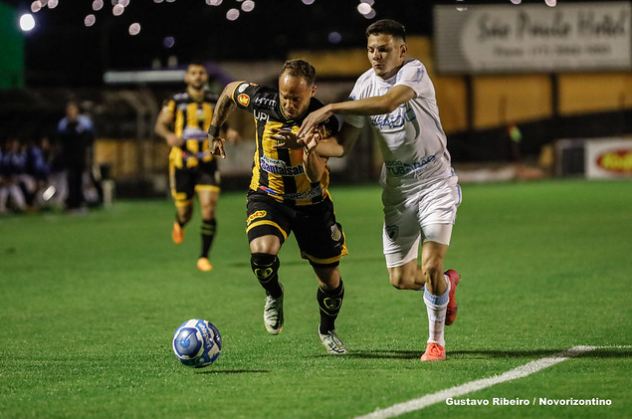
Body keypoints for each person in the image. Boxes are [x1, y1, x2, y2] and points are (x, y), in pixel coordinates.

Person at [295, 20, 462, 362]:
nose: (376, 56)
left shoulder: (414, 72)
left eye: (384, 49)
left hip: (435, 183)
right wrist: (308, 144)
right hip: (398, 191)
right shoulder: (363, 85)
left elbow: (388, 104)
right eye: (371, 49)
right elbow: (342, 146)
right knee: (401, 279)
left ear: (402, 50)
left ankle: (436, 343)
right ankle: (445, 285)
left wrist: (331, 107)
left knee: (430, 263)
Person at [207, 59, 349, 354]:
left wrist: (304, 146)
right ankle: (274, 294)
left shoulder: (321, 121)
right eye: (285, 95)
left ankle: (327, 329)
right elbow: (229, 92)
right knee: (261, 253)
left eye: (296, 98)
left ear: (312, 92)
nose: (289, 103)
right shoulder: (262, 99)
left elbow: (315, 174)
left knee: (331, 283)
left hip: (312, 205)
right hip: (268, 196)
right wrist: (214, 130)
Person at [155, 62, 234, 272]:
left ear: (206, 78)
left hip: (207, 163)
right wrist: (169, 135)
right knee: (185, 212)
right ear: (187, 78)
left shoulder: (215, 101)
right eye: (193, 73)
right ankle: (180, 223)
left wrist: (230, 132)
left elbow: (223, 124)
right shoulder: (175, 101)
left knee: (209, 208)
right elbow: (160, 125)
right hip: (182, 163)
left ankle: (203, 257)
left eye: (201, 73)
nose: (197, 76)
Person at [56, 101, 95, 214]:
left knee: (80, 180)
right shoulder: (63, 124)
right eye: (69, 110)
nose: (71, 112)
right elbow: (60, 140)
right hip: (69, 157)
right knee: (70, 180)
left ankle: (80, 203)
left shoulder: (84, 123)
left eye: (73, 109)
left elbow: (90, 138)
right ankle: (71, 204)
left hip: (80, 156)